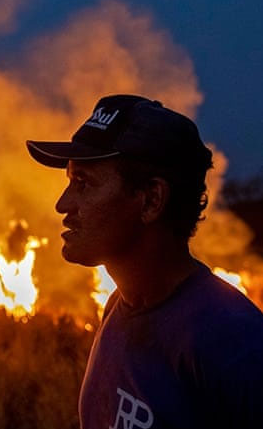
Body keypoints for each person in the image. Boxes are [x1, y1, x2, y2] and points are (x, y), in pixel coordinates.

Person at [26, 95, 263, 429]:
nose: (62, 204)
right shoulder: (117, 308)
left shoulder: (234, 343)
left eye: (83, 183)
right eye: (69, 182)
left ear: (152, 200)